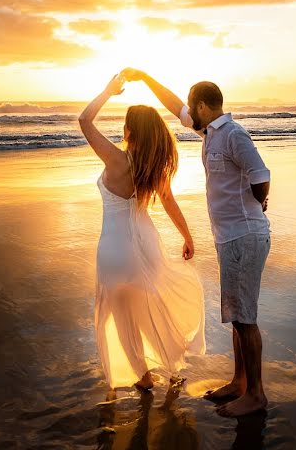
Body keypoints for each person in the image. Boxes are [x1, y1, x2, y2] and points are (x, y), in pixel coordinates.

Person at [122, 68, 271, 417]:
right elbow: (174, 105)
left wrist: (258, 202)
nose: (186, 112)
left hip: (244, 236)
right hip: (230, 238)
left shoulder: (233, 134)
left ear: (203, 105)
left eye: (192, 106)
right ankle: (239, 383)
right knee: (237, 315)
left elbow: (261, 174)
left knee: (245, 317)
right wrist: (145, 78)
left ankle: (257, 394)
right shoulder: (209, 131)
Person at [78, 74, 205, 391]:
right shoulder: (152, 166)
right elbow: (170, 203)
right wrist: (187, 238)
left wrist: (108, 91)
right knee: (149, 308)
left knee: (122, 315)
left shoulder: (117, 159)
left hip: (115, 248)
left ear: (129, 130)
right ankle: (170, 362)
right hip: (146, 244)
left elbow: (84, 120)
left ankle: (144, 376)